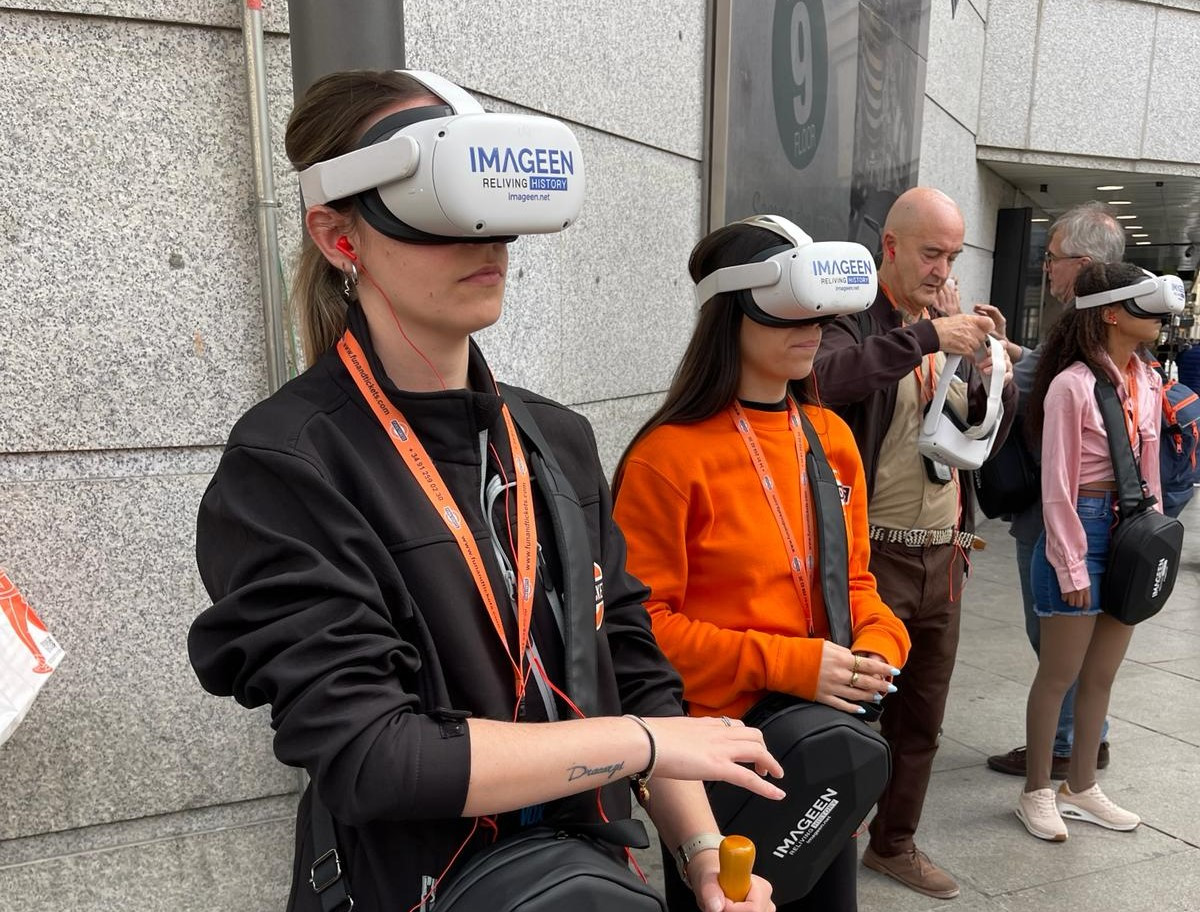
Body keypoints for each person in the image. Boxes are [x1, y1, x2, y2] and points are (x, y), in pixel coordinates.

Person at [187, 69, 785, 912]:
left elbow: (626, 659)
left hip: (591, 884)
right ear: (338, 236)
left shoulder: (557, 439)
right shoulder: (287, 467)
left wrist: (697, 853)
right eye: (439, 208)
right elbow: (376, 757)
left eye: (497, 212)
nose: (486, 241)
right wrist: (641, 746)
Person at [612, 216, 912, 912]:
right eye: (786, 310)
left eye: (819, 311)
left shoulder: (830, 439)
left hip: (824, 743)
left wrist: (878, 647)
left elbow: (858, 583)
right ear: (730, 313)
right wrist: (795, 664)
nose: (810, 326)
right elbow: (642, 635)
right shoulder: (668, 459)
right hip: (719, 758)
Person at [811, 187, 1016, 900]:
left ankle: (894, 842)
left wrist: (990, 366)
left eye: (953, 256)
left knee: (922, 717)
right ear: (890, 247)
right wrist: (929, 338)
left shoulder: (944, 324)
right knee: (853, 715)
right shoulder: (850, 318)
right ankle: (825, 843)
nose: (942, 269)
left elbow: (974, 434)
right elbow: (826, 377)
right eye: (932, 253)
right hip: (871, 554)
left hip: (944, 550)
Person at [1014, 261, 1164, 841]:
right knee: (1060, 675)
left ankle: (1081, 787)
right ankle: (1035, 792)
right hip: (1081, 525)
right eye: (1141, 305)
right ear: (1109, 313)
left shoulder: (1146, 379)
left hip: (1129, 529)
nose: (1154, 317)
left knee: (1101, 673)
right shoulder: (1071, 385)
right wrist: (1071, 558)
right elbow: (1057, 486)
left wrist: (1152, 537)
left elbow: (1148, 466)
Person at [982, 202, 1125, 780]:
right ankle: (1088, 742)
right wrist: (1009, 347)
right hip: (1106, 512)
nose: (1046, 269)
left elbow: (1034, 387)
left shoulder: (1084, 327)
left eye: (1053, 258)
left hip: (1063, 516)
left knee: (1055, 642)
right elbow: (1041, 369)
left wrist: (984, 355)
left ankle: (1064, 749)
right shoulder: (1109, 322)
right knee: (1082, 650)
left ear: (1083, 264)